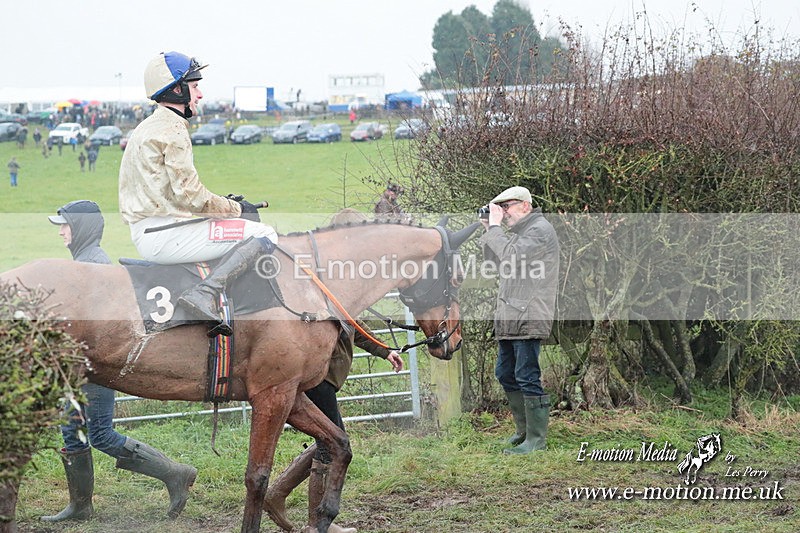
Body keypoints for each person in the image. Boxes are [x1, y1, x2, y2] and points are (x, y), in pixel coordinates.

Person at [42, 200, 198, 522]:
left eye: (65, 224)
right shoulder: (84, 262)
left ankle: (174, 473)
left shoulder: (94, 265)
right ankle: (80, 507)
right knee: (72, 432)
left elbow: (102, 325)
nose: (60, 231)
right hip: (78, 366)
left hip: (95, 368)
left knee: (100, 434)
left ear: (81, 228)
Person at [118, 51, 278, 337]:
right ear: (177, 90)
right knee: (265, 233)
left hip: (149, 229)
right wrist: (236, 210)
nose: (200, 94)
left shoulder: (147, 126)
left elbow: (179, 196)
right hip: (165, 234)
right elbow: (191, 197)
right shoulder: (174, 128)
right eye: (194, 87)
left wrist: (228, 208)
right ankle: (205, 293)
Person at [263, 209, 403, 533]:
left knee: (329, 440)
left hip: (325, 374)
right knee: (331, 443)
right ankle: (318, 524)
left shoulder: (339, 276)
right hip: (317, 374)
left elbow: (354, 322)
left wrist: (385, 350)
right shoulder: (321, 278)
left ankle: (277, 494)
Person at [479, 186, 559, 455]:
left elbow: (511, 257)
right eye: (499, 208)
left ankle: (536, 439)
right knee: (505, 373)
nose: (503, 213)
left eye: (507, 207)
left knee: (527, 375)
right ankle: (523, 432)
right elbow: (494, 263)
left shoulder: (539, 230)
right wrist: (488, 229)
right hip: (511, 315)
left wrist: (495, 229)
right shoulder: (519, 233)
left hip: (529, 313)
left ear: (525, 206)